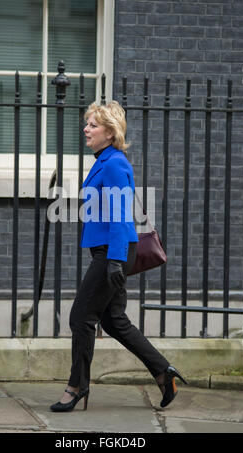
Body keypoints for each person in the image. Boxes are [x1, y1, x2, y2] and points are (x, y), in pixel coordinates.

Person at [50, 101, 187, 413]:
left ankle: (77, 386)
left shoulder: (114, 164)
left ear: (110, 134)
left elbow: (121, 213)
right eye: (87, 123)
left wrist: (113, 260)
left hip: (114, 252)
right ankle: (164, 372)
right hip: (112, 250)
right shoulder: (104, 161)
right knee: (113, 320)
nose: (86, 129)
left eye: (93, 125)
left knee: (80, 317)